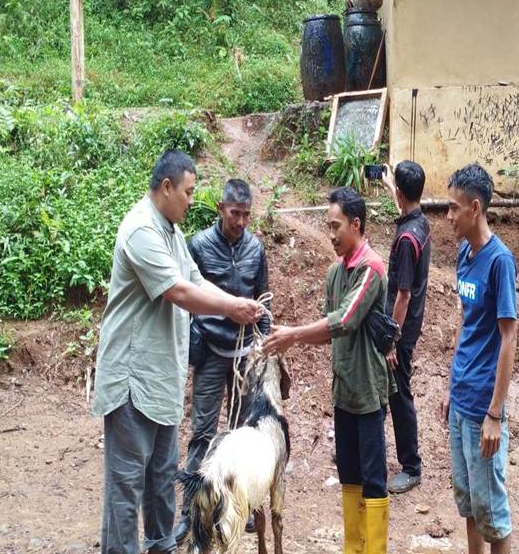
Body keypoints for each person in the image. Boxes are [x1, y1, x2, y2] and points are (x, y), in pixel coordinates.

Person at [91, 150, 266, 554]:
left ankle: (160, 545)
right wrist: (231, 307)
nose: (191, 200)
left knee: (161, 476)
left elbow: (196, 279)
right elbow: (179, 291)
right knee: (127, 484)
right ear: (167, 187)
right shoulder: (141, 230)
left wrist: (239, 303)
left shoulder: (169, 231)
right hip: (133, 380)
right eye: (188, 192)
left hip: (162, 379)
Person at [263, 186, 394, 554]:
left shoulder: (372, 269)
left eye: (336, 226)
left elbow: (346, 320)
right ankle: (355, 547)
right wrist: (298, 337)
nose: (331, 234)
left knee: (373, 478)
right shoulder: (335, 273)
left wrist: (293, 335)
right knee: (350, 475)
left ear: (356, 224)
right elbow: (330, 332)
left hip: (368, 390)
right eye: (328, 226)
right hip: (344, 390)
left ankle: (374, 550)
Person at [174, 178, 271, 545]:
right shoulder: (198, 245)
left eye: (247, 215)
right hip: (212, 352)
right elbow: (183, 299)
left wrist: (264, 343)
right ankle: (190, 511)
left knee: (241, 435)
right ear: (220, 208)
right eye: (235, 214)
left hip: (245, 353)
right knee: (202, 433)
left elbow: (263, 299)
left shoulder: (255, 249)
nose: (242, 222)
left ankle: (240, 506)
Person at [439, 164, 518, 554]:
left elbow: (508, 337)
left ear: (474, 208)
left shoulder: (499, 261)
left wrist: (495, 414)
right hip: (461, 398)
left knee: (492, 513)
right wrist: (450, 385)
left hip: (483, 407)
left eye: (453, 208)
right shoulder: (464, 255)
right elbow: (465, 320)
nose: (448, 217)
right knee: (468, 502)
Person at [380, 161, 431, 494]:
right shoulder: (420, 222)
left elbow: (403, 294)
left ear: (401, 192)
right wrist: (389, 185)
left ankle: (411, 466)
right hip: (406, 327)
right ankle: (363, 444)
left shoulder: (407, 239)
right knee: (382, 386)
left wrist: (391, 341)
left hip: (400, 330)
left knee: (399, 394)